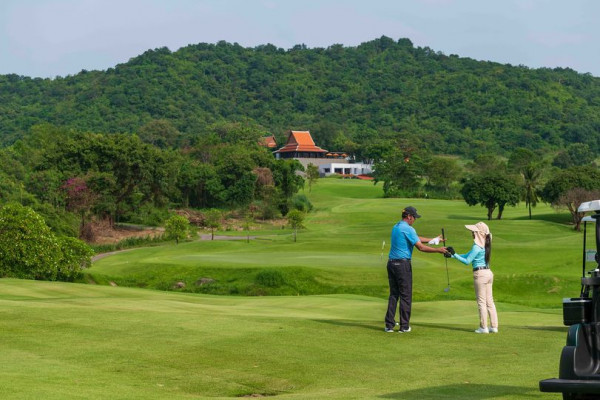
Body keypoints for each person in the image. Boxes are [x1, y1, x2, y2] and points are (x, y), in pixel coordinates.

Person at [385, 206, 447, 333]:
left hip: (391, 264)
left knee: (394, 295)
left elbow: (415, 237)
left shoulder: (396, 227)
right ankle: (404, 326)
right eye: (414, 218)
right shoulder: (408, 229)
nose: (414, 220)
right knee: (406, 295)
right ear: (409, 217)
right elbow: (421, 247)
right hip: (402, 265)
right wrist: (438, 250)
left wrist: (433, 240)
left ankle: (389, 325)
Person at [446, 221, 498, 334]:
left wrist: (454, 255)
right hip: (488, 273)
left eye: (473, 231)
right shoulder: (485, 244)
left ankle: (483, 327)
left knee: (481, 302)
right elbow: (468, 255)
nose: (472, 233)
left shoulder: (476, 246)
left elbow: (467, 261)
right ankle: (494, 326)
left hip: (480, 275)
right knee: (490, 301)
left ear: (478, 234)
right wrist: (453, 255)